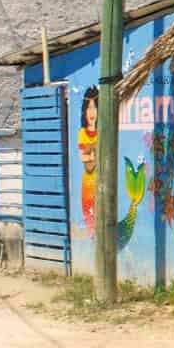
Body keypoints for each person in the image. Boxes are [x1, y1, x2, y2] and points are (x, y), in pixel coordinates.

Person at [77, 87, 98, 237]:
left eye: (95, 107)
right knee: (89, 213)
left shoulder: (103, 130)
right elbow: (83, 157)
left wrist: (90, 151)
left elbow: (89, 154)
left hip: (101, 179)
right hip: (88, 181)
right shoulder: (82, 133)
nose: (91, 112)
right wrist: (94, 151)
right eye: (89, 107)